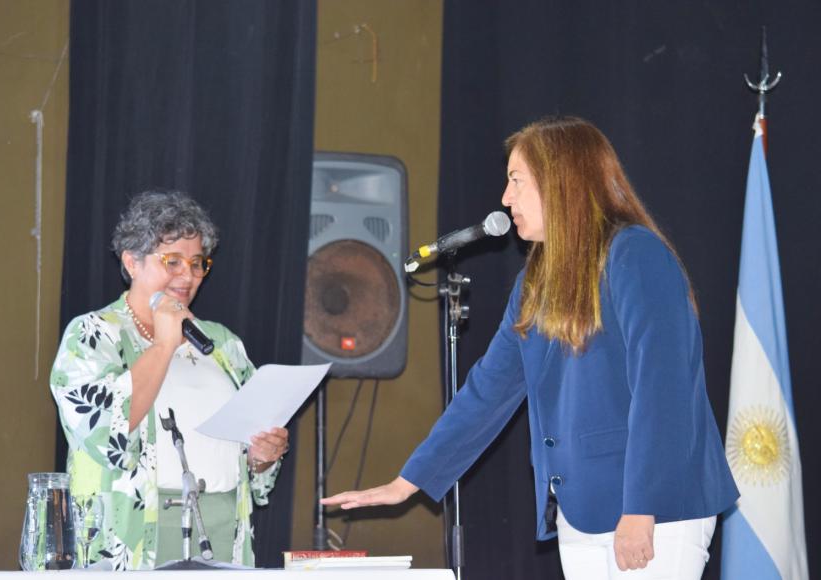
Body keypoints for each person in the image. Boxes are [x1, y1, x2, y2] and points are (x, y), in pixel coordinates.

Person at [322, 117, 739, 579]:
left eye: (517, 181)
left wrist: (643, 509)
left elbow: (664, 389)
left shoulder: (635, 255)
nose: (505, 198)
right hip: (580, 511)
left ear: (562, 183)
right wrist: (410, 481)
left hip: (654, 508)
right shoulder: (535, 281)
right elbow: (490, 389)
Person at [50, 191, 289, 570]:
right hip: (132, 530)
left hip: (224, 524)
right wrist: (163, 345)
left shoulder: (223, 343)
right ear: (131, 262)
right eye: (172, 261)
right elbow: (103, 435)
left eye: (197, 264)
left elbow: (252, 464)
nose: (188, 275)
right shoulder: (93, 335)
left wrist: (262, 457)